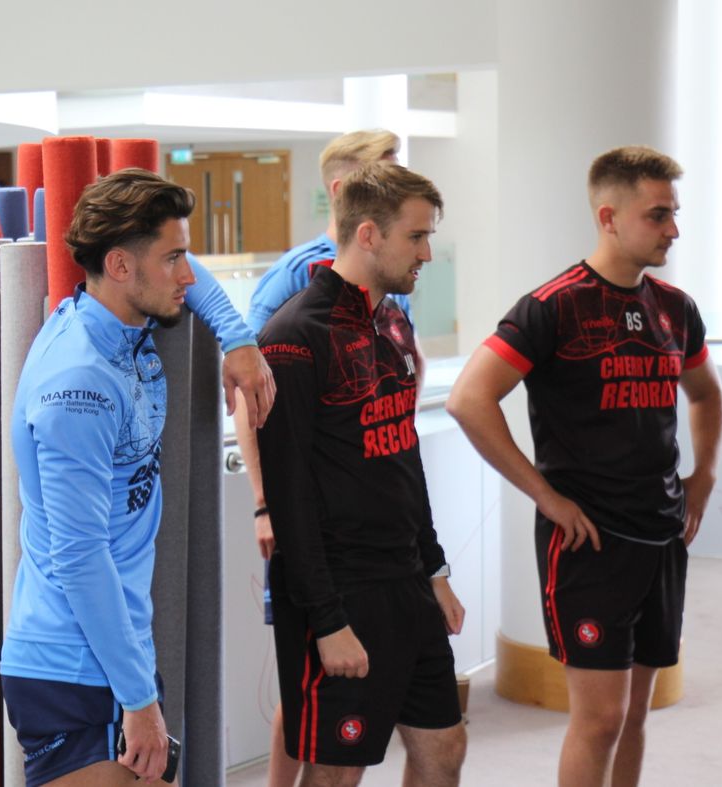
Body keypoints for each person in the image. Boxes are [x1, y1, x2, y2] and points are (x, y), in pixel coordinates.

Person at [445, 145, 722, 787]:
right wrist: (545, 496)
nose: (673, 230)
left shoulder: (675, 307)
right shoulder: (552, 306)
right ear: (608, 217)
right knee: (598, 720)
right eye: (658, 215)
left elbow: (707, 394)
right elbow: (468, 399)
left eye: (674, 214)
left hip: (661, 536)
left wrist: (704, 476)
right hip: (588, 543)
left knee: (633, 716)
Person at [257, 162, 466, 786]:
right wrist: (327, 621)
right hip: (342, 592)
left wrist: (434, 570)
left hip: (407, 579)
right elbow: (289, 497)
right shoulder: (293, 337)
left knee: (444, 748)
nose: (427, 253)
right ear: (369, 234)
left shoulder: (390, 324)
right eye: (416, 236)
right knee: (336, 772)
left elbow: (403, 456)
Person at [0, 169, 202, 785]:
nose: (189, 277)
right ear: (119, 265)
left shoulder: (111, 325)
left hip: (113, 652)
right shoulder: (80, 381)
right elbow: (79, 554)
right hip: (74, 665)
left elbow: (187, 280)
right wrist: (138, 698)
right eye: (174, 259)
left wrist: (242, 342)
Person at [233, 129, 406, 786]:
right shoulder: (294, 280)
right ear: (342, 190)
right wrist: (265, 502)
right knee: (308, 681)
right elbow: (252, 396)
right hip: (313, 519)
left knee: (359, 680)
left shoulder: (392, 275)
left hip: (373, 519)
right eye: (387, 174)